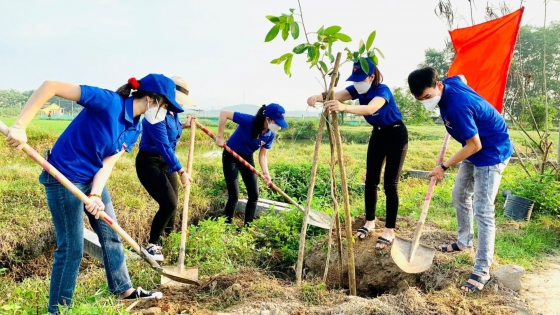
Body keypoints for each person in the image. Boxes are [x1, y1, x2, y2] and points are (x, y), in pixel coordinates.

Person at [5, 74, 185, 313]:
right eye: (164, 106)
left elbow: (107, 164)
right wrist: (19, 126)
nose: (164, 112)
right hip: (64, 177)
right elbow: (51, 86)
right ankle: (58, 310)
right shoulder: (108, 101)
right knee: (70, 248)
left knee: (110, 233)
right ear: (152, 99)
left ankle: (124, 290)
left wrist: (97, 195)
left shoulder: (135, 127)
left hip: (92, 178)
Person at [407, 67, 512, 293]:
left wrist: (443, 166)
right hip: (475, 148)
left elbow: (475, 145)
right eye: (420, 100)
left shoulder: (457, 107)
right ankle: (464, 241)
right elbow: (462, 76)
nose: (425, 102)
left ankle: (482, 269)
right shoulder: (451, 83)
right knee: (460, 195)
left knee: (483, 210)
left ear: (439, 86)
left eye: (427, 97)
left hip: (491, 152)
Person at [306, 58, 408, 250]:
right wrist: (316, 97)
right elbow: (334, 94)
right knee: (370, 180)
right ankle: (370, 221)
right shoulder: (357, 89)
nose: (356, 84)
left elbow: (370, 108)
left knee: (390, 184)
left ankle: (389, 230)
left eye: (360, 79)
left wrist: (344, 107)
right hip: (377, 134)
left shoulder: (382, 90)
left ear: (371, 77)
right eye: (355, 80)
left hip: (396, 135)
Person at [135, 76, 196, 261]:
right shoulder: (154, 115)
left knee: (173, 205)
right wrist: (182, 171)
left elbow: (172, 134)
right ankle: (152, 245)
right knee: (168, 203)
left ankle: (167, 242)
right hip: (149, 162)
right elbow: (163, 145)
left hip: (166, 162)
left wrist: (184, 126)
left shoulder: (172, 112)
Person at [215, 103, 288, 226]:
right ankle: (226, 226)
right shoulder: (249, 120)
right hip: (231, 156)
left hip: (247, 158)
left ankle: (247, 227)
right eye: (277, 122)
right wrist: (220, 136)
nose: (278, 126)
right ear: (268, 119)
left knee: (254, 194)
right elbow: (224, 113)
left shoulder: (271, 134)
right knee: (234, 195)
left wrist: (266, 174)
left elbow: (263, 155)